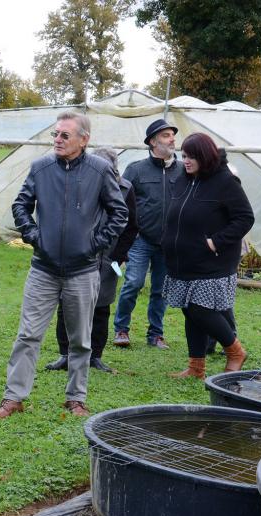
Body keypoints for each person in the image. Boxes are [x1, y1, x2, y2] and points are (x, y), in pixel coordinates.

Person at [0, 111, 128, 419]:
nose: (58, 140)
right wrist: (35, 236)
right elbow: (20, 205)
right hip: (43, 269)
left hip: (83, 270)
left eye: (65, 135)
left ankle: (75, 398)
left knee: (80, 339)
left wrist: (95, 244)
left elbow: (119, 212)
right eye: (55, 134)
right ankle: (14, 397)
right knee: (28, 335)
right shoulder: (41, 168)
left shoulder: (100, 170)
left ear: (83, 139)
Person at [162, 132, 254, 379]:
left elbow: (244, 217)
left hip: (212, 262)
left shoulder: (225, 181)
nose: (186, 161)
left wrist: (216, 242)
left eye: (191, 156)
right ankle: (196, 368)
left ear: (205, 156)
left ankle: (235, 351)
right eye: (183, 156)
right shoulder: (183, 178)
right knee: (190, 311)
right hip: (183, 260)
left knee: (200, 309)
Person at [45, 147, 139, 374]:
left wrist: (118, 257)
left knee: (101, 307)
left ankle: (95, 356)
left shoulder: (126, 189)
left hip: (108, 258)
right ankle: (65, 354)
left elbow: (131, 226)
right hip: (74, 255)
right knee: (66, 304)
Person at [112, 119, 184, 350]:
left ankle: (156, 334)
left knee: (161, 290)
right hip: (141, 239)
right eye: (165, 135)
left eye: (172, 135)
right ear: (153, 142)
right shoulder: (136, 169)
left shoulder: (183, 170)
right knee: (133, 282)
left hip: (169, 242)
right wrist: (124, 235)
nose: (172, 139)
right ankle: (121, 329)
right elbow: (120, 203)